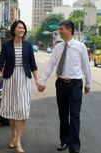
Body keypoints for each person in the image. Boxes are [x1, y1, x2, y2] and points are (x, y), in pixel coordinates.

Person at [37, 20, 92, 153]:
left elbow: (86, 65)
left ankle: (74, 147)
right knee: (62, 115)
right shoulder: (58, 47)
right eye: (59, 29)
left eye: (62, 29)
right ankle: (65, 141)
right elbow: (50, 65)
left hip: (75, 84)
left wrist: (88, 82)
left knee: (74, 116)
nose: (59, 31)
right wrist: (43, 81)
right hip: (61, 84)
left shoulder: (81, 46)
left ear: (69, 30)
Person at [0, 20, 39, 153]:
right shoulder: (7, 45)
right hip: (10, 78)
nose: (22, 30)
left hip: (24, 78)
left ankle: (18, 141)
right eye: (19, 28)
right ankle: (13, 135)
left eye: (23, 28)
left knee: (22, 110)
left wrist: (37, 81)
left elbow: (33, 65)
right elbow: (0, 62)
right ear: (14, 30)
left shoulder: (28, 45)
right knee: (12, 109)